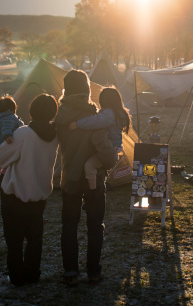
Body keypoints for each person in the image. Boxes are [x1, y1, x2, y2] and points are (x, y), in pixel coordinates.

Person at [55, 70, 117, 286]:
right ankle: (93, 272)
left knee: (69, 226)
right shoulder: (94, 117)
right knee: (94, 226)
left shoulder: (60, 117)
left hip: (69, 178)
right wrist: (110, 160)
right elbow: (106, 154)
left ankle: (70, 272)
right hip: (94, 180)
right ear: (87, 90)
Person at [0, 93, 59, 287]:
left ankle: (16, 277)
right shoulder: (55, 136)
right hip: (39, 195)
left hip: (15, 195)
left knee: (14, 240)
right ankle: (32, 274)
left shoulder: (23, 133)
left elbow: (2, 157)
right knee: (34, 239)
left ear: (31, 112)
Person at [69, 86, 132, 190]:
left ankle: (93, 191)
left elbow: (95, 121)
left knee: (89, 166)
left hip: (109, 150)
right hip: (114, 148)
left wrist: (78, 124)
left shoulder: (109, 114)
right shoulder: (118, 113)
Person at [0, 96, 25, 182]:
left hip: (3, 146)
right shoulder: (8, 118)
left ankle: (4, 177)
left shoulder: (0, 119)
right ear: (11, 109)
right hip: (10, 145)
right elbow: (6, 129)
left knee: (8, 165)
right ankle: (4, 179)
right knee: (11, 165)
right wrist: (9, 138)